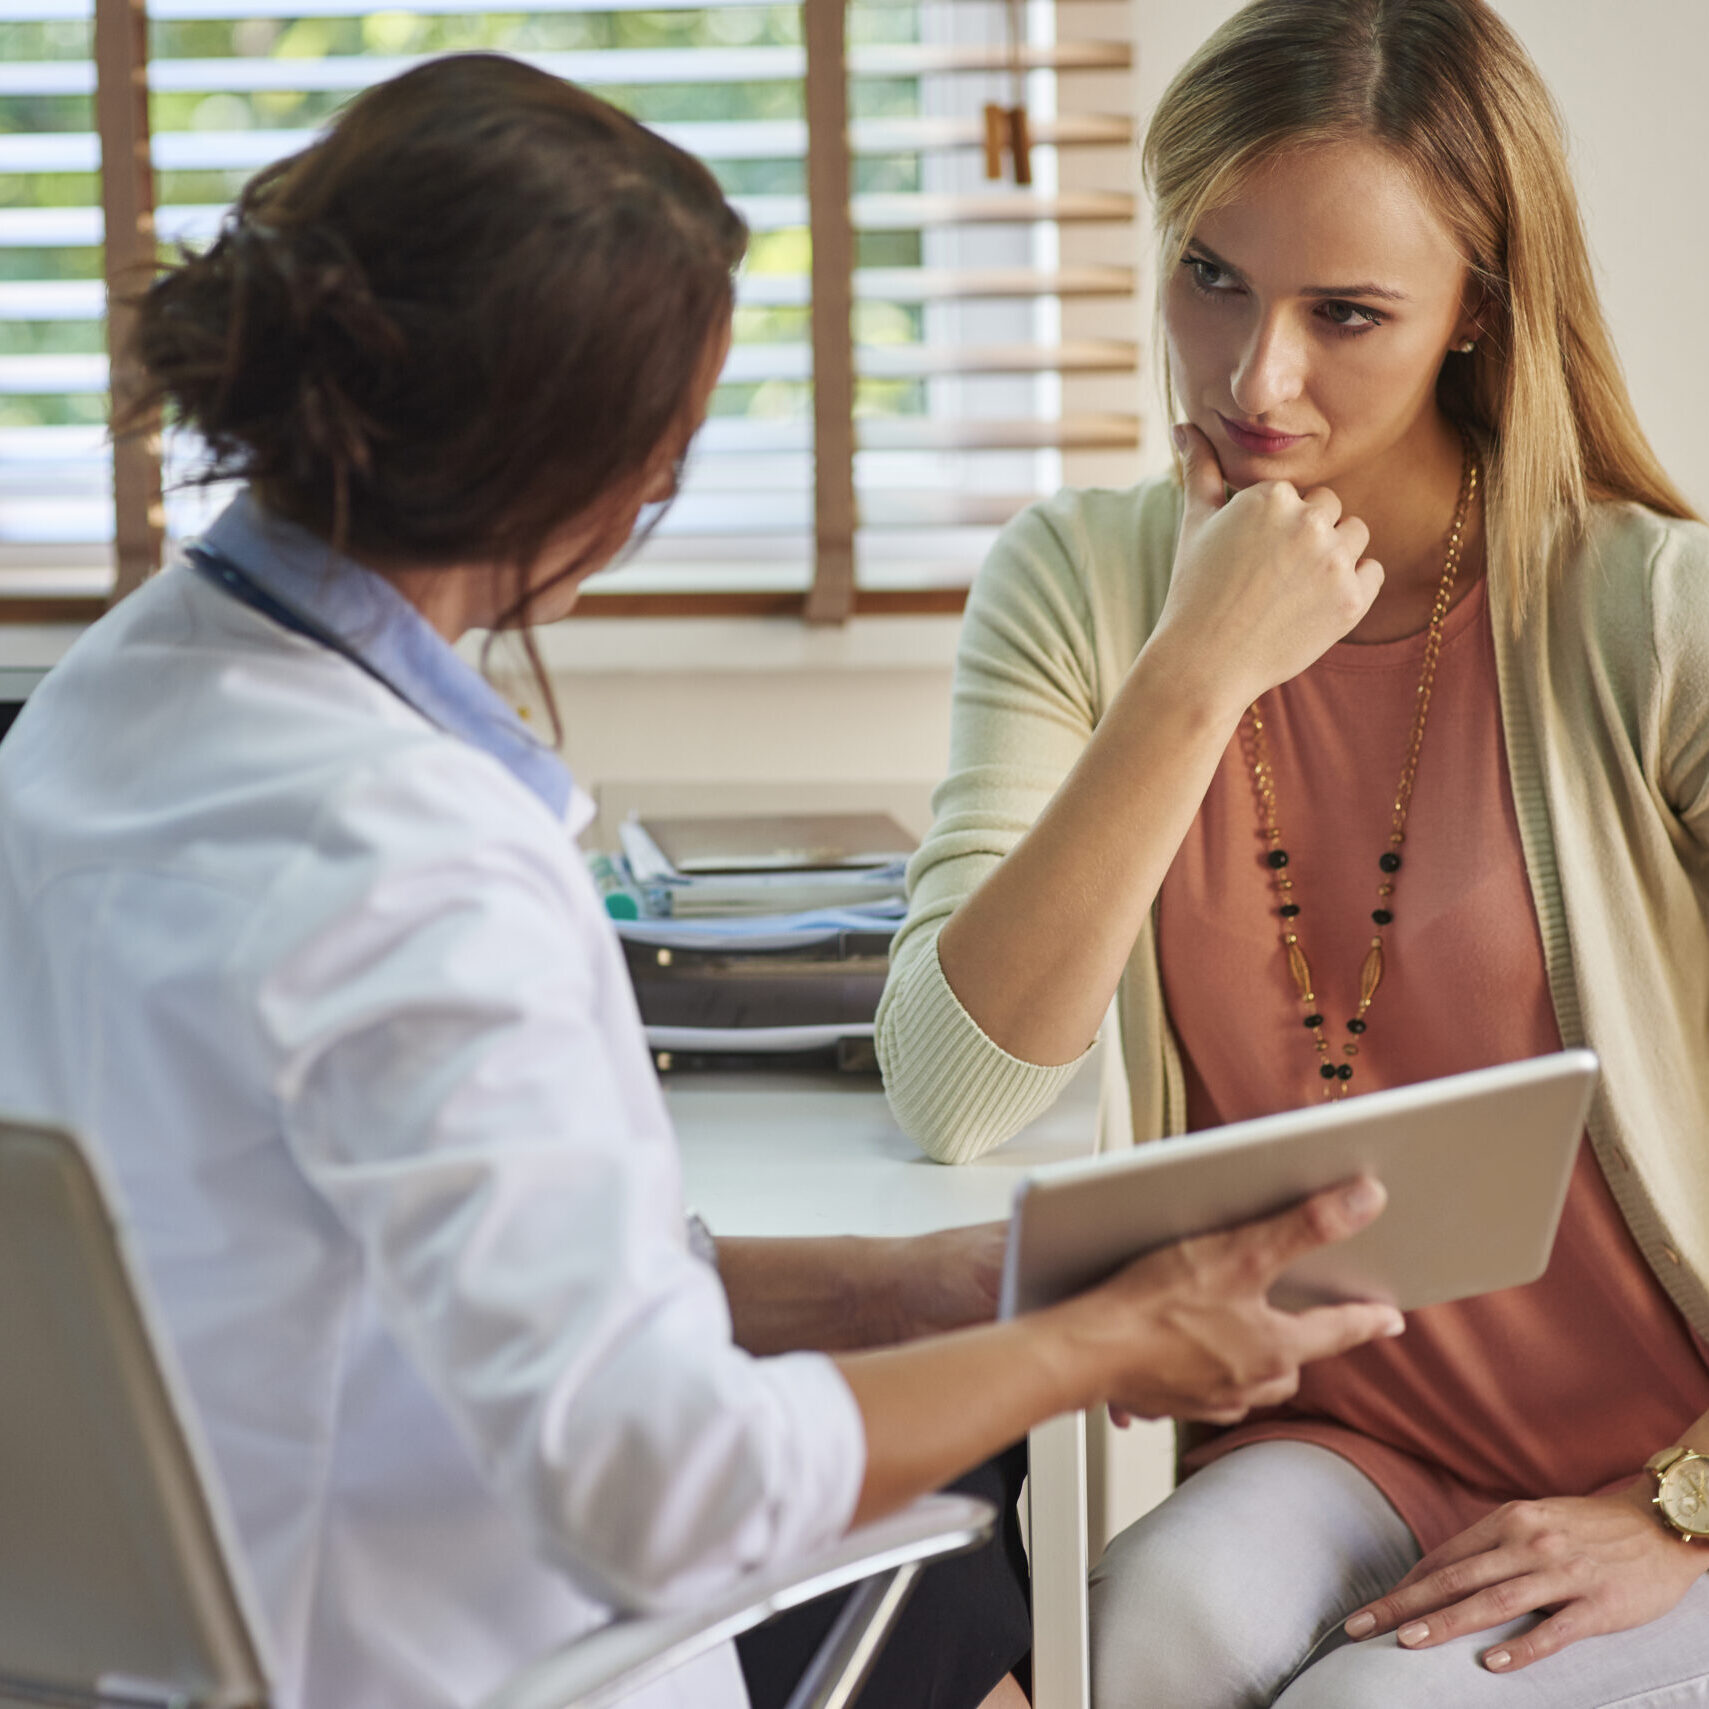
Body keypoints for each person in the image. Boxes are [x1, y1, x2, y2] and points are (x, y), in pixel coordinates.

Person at [0, 52, 1408, 1709]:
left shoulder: (98, 712)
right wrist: (1101, 1343)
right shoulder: (416, 868)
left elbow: (455, 1250)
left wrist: (912, 1286)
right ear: (584, 481)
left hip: (202, 1619)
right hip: (465, 1648)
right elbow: (660, 1480)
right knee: (976, 1552)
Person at [874, 0, 1709, 1704]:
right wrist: (1191, 667)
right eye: (1209, 278)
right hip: (1336, 1447)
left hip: (1657, 1462)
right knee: (1110, 1652)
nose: (1254, 377)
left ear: (1473, 313)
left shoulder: (1649, 618)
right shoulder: (1080, 586)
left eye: (1345, 314)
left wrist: (1679, 1508)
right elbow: (954, 1088)